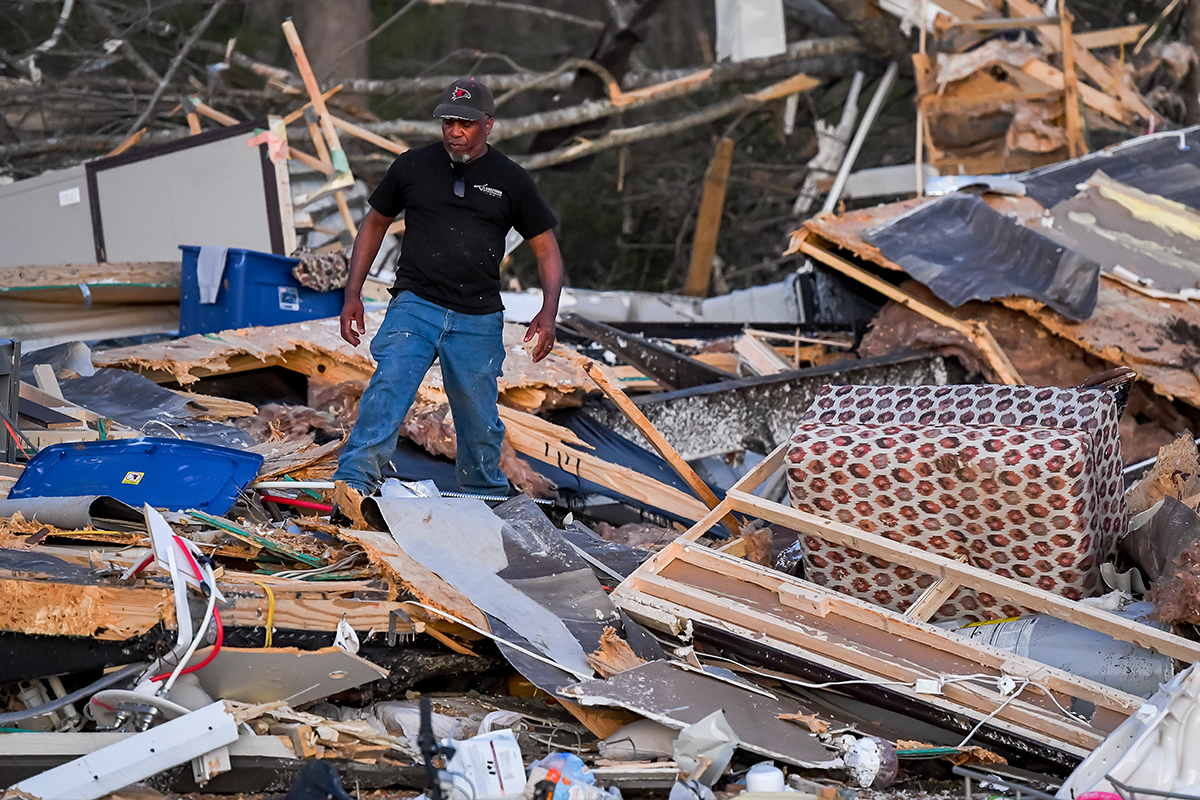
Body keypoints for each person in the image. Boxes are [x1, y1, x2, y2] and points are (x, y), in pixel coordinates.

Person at [332, 77, 563, 501]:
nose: (454, 130)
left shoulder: (511, 179)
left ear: (488, 125)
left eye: (466, 123)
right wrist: (352, 294)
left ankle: (484, 498)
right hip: (415, 304)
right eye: (448, 121)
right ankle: (353, 487)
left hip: (477, 317)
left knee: (478, 420)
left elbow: (546, 248)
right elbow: (375, 224)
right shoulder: (412, 166)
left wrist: (548, 311)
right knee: (388, 389)